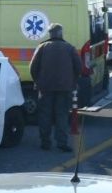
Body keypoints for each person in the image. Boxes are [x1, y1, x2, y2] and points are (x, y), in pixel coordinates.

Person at [29, 23, 82, 153]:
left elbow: (33, 67)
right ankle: (62, 143)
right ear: (61, 33)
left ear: (50, 34)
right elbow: (79, 68)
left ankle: (45, 142)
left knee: (45, 115)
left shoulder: (42, 47)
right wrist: (73, 80)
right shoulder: (69, 48)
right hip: (65, 88)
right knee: (62, 115)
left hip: (45, 87)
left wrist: (38, 81)